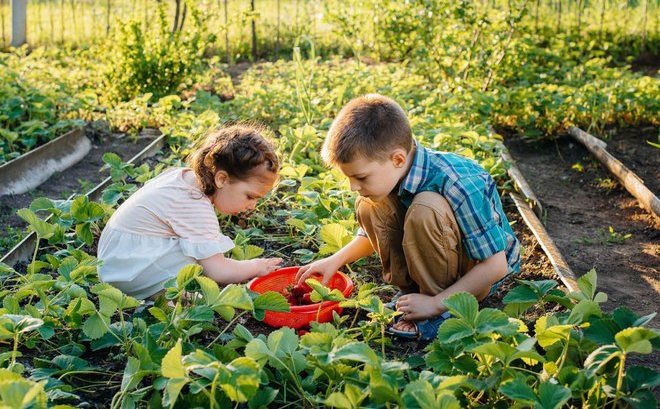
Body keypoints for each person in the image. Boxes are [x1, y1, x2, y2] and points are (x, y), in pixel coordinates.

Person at [296, 94, 520, 341]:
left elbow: (495, 266)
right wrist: (335, 261)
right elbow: (373, 234)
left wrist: (436, 303)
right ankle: (416, 295)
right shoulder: (394, 172)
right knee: (371, 204)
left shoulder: (458, 183)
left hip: (479, 275)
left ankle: (443, 312)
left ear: (398, 159)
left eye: (360, 177)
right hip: (444, 260)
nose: (352, 186)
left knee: (426, 207)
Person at [97, 125, 283, 300]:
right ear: (222, 179)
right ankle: (166, 295)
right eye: (250, 196)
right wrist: (257, 266)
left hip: (116, 261)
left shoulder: (183, 177)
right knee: (195, 255)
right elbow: (218, 271)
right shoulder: (194, 205)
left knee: (194, 246)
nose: (252, 206)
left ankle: (161, 291)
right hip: (128, 273)